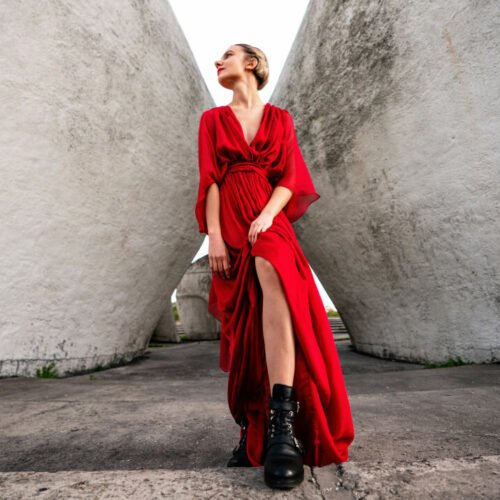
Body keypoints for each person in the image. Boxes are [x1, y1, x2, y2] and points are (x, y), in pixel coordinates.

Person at [195, 43, 355, 490]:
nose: (218, 61)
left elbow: (290, 177)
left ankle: (283, 425)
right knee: (246, 327)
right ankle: (254, 427)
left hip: (268, 217)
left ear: (251, 63)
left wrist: (267, 216)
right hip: (230, 219)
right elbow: (210, 179)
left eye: (228, 54)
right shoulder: (212, 120)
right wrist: (213, 236)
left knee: (273, 268)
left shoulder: (280, 118)